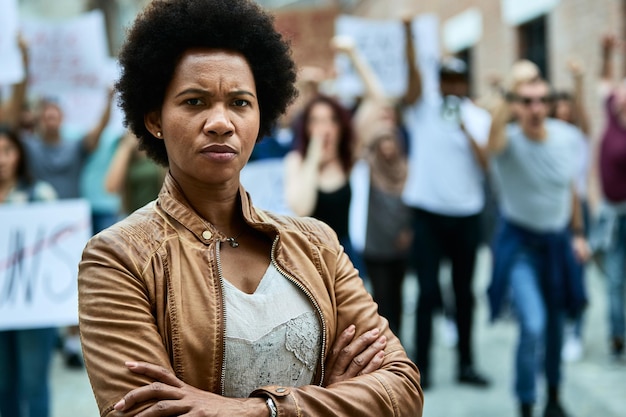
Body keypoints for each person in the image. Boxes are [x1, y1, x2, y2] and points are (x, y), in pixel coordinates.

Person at [77, 1, 423, 417]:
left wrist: (260, 409)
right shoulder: (118, 258)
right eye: (194, 102)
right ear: (154, 119)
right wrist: (331, 393)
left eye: (240, 102)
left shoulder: (316, 243)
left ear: (262, 116)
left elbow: (401, 390)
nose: (220, 121)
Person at [487, 73, 589, 417]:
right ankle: (526, 402)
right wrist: (509, 93)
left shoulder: (568, 137)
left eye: (541, 100)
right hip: (520, 246)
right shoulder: (508, 142)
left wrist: (578, 233)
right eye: (527, 101)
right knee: (532, 323)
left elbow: (570, 189)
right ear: (516, 105)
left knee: (556, 326)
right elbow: (491, 138)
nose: (535, 108)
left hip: (558, 243)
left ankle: (555, 397)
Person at [401, 17, 491, 389]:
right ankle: (421, 367)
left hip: (467, 215)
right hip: (428, 214)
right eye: (446, 80)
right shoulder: (423, 108)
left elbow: (487, 164)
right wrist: (407, 36)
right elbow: (412, 80)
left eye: (458, 81)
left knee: (465, 293)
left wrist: (464, 129)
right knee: (426, 292)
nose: (451, 87)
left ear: (465, 84)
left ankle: (466, 363)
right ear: (439, 82)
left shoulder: (477, 117)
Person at [21, 90, 114, 368]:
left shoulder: (74, 148)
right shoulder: (28, 148)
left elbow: (96, 135)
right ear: (38, 117)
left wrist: (108, 101)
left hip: (72, 228)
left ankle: (73, 342)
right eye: (46, 113)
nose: (50, 118)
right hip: (37, 229)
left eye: (55, 113)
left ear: (62, 118)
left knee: (71, 283)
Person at [331, 35, 412, 337]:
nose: (383, 116)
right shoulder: (360, 153)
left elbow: (379, 98)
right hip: (358, 241)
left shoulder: (399, 158)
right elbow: (376, 98)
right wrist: (352, 55)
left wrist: (354, 54)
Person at [0, 125, 58, 417]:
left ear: (19, 155)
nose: (1, 159)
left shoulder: (40, 194)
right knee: (2, 385)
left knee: (34, 383)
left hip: (35, 306)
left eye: (7, 151)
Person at [283, 93, 365, 272]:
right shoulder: (296, 161)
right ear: (306, 128)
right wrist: (313, 157)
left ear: (340, 126)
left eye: (330, 120)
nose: (323, 129)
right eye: (316, 121)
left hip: (345, 257)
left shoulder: (347, 159)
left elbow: (379, 102)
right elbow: (301, 208)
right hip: (310, 259)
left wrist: (355, 62)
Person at [551, 59, 592, 362]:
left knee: (578, 270)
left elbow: (581, 109)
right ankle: (561, 327)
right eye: (559, 110)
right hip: (553, 210)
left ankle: (576, 331)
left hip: (580, 210)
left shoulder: (580, 137)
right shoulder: (548, 138)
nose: (564, 114)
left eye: (569, 110)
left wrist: (577, 80)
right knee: (557, 272)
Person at [595, 34, 626, 360]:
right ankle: (617, 335)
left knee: (618, 277)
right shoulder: (612, 115)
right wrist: (606, 52)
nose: (617, 95)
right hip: (611, 214)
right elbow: (604, 80)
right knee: (614, 278)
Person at [105, 131, 166, 216]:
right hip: (132, 216)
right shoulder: (126, 153)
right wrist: (126, 147)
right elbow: (111, 187)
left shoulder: (159, 148)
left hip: (159, 215)